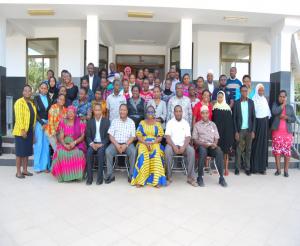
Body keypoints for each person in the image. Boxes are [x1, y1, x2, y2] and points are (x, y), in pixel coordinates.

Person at [131, 105, 166, 188]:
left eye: (152, 112)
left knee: (156, 154)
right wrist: (146, 143)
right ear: (146, 113)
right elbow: (139, 135)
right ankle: (140, 180)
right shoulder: (142, 123)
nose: (150, 113)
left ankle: (156, 181)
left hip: (155, 142)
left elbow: (160, 136)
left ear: (154, 113)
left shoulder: (158, 124)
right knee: (143, 155)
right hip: (143, 142)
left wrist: (153, 142)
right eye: (148, 112)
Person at [192, 105, 228, 187]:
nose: (205, 115)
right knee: (202, 151)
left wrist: (215, 144)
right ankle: (200, 177)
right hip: (202, 146)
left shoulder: (213, 124)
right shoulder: (197, 125)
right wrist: (204, 144)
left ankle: (221, 178)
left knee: (219, 151)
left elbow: (216, 137)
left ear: (209, 114)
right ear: (201, 114)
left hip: (211, 147)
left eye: (206, 113)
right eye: (203, 113)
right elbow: (194, 140)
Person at [51, 105, 86, 182]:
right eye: (69, 112)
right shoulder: (63, 121)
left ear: (75, 113)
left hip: (77, 143)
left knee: (79, 154)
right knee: (60, 153)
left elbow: (83, 136)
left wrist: (74, 142)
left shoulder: (80, 122)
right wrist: (64, 145)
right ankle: (64, 177)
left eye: (72, 112)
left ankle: (76, 176)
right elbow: (61, 136)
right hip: (65, 143)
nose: (70, 114)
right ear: (66, 113)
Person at [165, 105, 198, 187]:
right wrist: (174, 146)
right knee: (167, 151)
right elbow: (168, 138)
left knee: (191, 151)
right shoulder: (170, 123)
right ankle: (168, 177)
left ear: (182, 112)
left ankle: (190, 178)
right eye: (176, 111)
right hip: (172, 145)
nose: (178, 113)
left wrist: (183, 147)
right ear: (174, 113)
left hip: (184, 145)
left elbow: (188, 137)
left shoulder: (185, 123)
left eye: (180, 111)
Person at [105, 104, 136, 183]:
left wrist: (125, 145)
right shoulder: (115, 121)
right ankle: (110, 175)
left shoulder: (131, 122)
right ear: (119, 111)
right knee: (108, 151)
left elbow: (133, 137)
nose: (122, 111)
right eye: (121, 110)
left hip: (127, 144)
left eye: (124, 110)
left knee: (134, 152)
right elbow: (111, 135)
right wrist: (117, 145)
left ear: (127, 111)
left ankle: (131, 175)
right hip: (116, 143)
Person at [13, 85, 37, 179]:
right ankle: (18, 172)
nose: (27, 92)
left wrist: (33, 133)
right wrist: (23, 130)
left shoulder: (31, 103)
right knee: (20, 152)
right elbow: (18, 117)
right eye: (25, 90)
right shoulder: (19, 102)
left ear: (31, 92)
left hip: (30, 130)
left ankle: (25, 170)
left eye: (29, 91)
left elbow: (33, 119)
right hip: (21, 131)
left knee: (26, 151)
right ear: (23, 92)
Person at [271, 90, 296, 177]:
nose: (282, 98)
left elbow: (294, 119)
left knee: (287, 153)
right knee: (277, 152)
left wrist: (286, 117)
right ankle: (278, 170)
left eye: (283, 96)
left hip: (287, 134)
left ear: (286, 97)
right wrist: (282, 105)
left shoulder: (290, 107)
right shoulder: (275, 105)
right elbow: (274, 112)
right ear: (278, 97)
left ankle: (286, 171)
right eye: (280, 96)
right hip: (276, 133)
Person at [233, 85, 256, 176]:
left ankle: (247, 168)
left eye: (246, 91)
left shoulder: (251, 102)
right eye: (242, 91)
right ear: (240, 92)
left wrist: (253, 130)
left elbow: (253, 118)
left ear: (248, 92)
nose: (244, 92)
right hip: (240, 130)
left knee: (248, 149)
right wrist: (236, 131)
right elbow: (234, 118)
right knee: (239, 149)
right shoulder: (237, 103)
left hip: (249, 130)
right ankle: (237, 168)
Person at [85, 103, 110, 185]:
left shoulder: (106, 121)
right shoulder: (90, 122)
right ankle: (89, 178)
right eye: (96, 110)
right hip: (93, 143)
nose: (97, 112)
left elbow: (108, 136)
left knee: (100, 153)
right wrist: (92, 144)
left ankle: (100, 178)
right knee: (88, 153)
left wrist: (101, 144)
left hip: (102, 144)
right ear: (93, 111)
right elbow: (87, 136)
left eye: (99, 110)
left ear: (102, 111)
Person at [251, 84, 271, 174]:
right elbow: (253, 115)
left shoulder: (264, 100)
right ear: (256, 91)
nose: (261, 92)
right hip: (257, 125)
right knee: (256, 145)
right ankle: (254, 168)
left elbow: (267, 113)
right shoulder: (254, 100)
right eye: (260, 90)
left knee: (263, 146)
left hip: (265, 124)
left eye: (262, 90)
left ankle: (262, 168)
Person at [212, 91, 234, 176]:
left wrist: (230, 134)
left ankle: (226, 169)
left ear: (224, 97)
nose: (220, 98)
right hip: (217, 133)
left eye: (221, 97)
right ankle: (218, 169)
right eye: (218, 97)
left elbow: (230, 123)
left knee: (226, 152)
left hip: (226, 133)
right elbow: (213, 121)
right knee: (218, 152)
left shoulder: (227, 108)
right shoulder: (215, 107)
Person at [33, 82, 51, 173]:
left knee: (46, 145)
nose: (44, 90)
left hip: (47, 124)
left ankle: (44, 167)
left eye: (45, 88)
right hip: (39, 124)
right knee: (38, 144)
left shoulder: (49, 98)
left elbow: (49, 112)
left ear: (47, 90)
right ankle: (37, 167)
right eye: (42, 88)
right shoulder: (36, 98)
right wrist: (41, 123)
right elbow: (35, 113)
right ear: (39, 89)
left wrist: (47, 123)